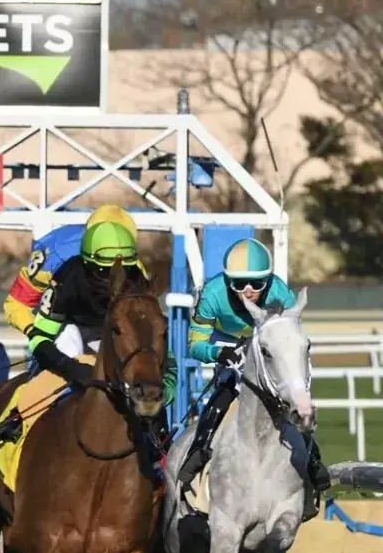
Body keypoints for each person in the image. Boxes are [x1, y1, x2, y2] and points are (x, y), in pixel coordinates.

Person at [177, 238, 328, 513]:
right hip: (227, 343)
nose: (248, 291)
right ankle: (197, 452)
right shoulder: (212, 295)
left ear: (267, 281)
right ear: (227, 281)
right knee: (221, 397)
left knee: (292, 403)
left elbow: (289, 341)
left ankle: (312, 461)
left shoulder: (280, 293)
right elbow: (195, 344)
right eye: (239, 283)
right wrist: (218, 354)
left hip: (267, 344)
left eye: (256, 284)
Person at [26, 215, 174, 431]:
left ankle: (158, 443)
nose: (113, 277)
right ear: (87, 262)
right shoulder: (69, 276)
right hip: (69, 329)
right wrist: (71, 368)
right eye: (103, 270)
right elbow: (39, 338)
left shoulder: (135, 276)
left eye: (123, 268)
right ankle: (23, 433)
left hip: (108, 332)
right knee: (71, 343)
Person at [4, 204, 138, 334]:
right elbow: (16, 305)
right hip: (62, 317)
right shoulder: (55, 255)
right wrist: (37, 337)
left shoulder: (133, 262)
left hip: (100, 318)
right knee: (68, 340)